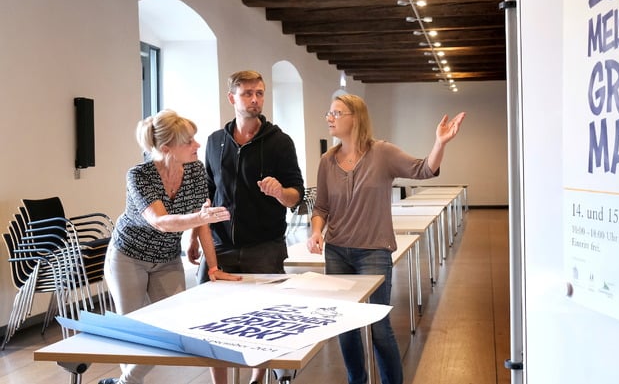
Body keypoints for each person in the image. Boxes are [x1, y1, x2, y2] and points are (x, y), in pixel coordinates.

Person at [306, 94, 465, 384]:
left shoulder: (382, 153)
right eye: (329, 112)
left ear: (356, 117)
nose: (329, 117)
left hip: (373, 253)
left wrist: (439, 143)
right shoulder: (327, 161)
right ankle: (358, 381)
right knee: (346, 326)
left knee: (378, 326)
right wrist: (317, 230)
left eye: (337, 113)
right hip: (337, 252)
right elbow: (322, 207)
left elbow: (424, 169)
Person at [99, 110, 242, 384]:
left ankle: (122, 383)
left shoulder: (195, 170)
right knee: (134, 332)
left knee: (174, 328)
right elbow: (160, 221)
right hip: (128, 256)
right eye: (188, 141)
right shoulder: (139, 175)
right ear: (167, 148)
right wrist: (199, 218)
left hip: (166, 258)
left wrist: (213, 266)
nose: (197, 145)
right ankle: (129, 382)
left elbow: (203, 223)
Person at [200, 70, 305, 384]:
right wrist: (196, 235)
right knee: (211, 320)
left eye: (259, 93)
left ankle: (257, 379)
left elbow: (295, 196)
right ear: (232, 98)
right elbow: (207, 190)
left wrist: (279, 192)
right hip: (220, 244)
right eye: (247, 93)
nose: (255, 99)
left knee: (265, 317)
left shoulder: (280, 142)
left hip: (264, 245)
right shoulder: (215, 142)